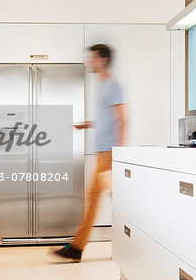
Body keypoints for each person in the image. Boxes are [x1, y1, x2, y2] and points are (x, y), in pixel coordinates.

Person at [52, 44, 126, 262]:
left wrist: (119, 153)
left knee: (97, 198)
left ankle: (77, 247)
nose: (88, 62)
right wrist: (88, 125)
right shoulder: (103, 86)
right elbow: (107, 119)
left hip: (109, 153)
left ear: (102, 60)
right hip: (102, 152)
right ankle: (130, 242)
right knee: (119, 200)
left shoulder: (112, 85)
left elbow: (122, 119)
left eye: (92, 58)